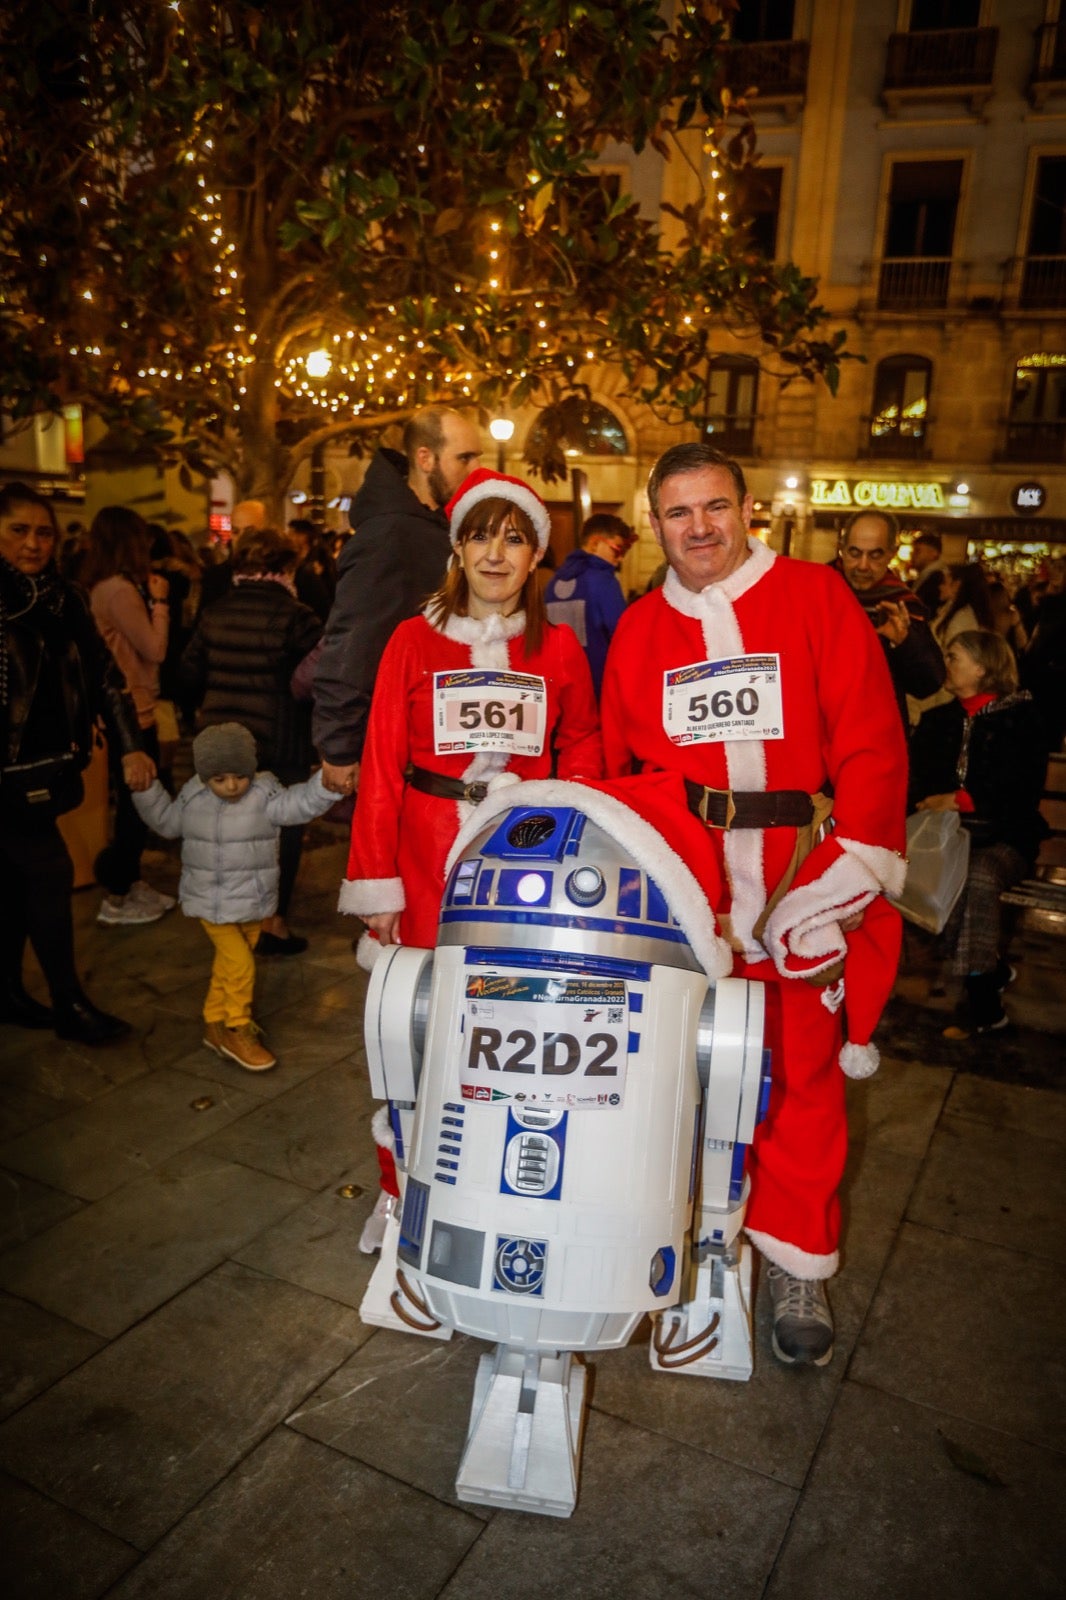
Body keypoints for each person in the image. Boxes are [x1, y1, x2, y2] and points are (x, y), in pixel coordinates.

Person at [601, 443, 907, 1369]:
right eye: (680, 513)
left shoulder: (816, 596)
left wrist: (843, 878)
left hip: (800, 882)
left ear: (747, 510)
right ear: (656, 524)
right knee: (680, 1082)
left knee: (804, 1079)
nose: (700, 529)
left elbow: (869, 740)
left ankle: (794, 1258)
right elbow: (621, 768)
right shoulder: (639, 629)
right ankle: (686, 1243)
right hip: (691, 893)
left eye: (716, 508)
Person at [339, 466, 603, 1249]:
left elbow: (583, 739)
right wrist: (376, 884)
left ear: (535, 557)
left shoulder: (556, 647)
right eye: (481, 535)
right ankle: (395, 1185)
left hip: (518, 860)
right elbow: (381, 760)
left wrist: (571, 814)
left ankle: (486, 1175)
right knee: (410, 1030)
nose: (496, 553)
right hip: (421, 856)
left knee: (502, 1024)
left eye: (514, 538)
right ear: (458, 548)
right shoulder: (413, 640)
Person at [0, 483, 155, 1045]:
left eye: (44, 532)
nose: (33, 543)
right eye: (19, 530)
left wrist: (130, 743)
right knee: (47, 874)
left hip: (49, 764)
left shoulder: (63, 598)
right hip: (7, 773)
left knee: (17, 882)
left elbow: (106, 678)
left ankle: (10, 993)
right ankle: (67, 1002)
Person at [133, 723, 335, 1070]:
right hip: (209, 904)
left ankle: (213, 1022)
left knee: (227, 966)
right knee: (240, 964)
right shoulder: (194, 797)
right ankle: (235, 1026)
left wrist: (326, 784)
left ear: (251, 770)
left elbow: (299, 803)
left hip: (253, 904)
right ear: (205, 776)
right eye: (220, 778)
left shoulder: (265, 795)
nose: (231, 786)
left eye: (239, 776)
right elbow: (167, 822)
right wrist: (146, 790)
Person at [312, 405, 483, 798]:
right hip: (389, 744)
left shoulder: (426, 523)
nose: (475, 469)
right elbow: (353, 638)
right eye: (464, 457)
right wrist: (339, 746)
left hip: (425, 736)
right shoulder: (392, 533)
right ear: (425, 458)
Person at [180, 529, 323, 954]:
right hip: (281, 743)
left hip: (225, 743)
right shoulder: (298, 617)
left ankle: (230, 916)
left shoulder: (215, 613)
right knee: (283, 832)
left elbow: (188, 673)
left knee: (232, 831)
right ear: (286, 568)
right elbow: (322, 675)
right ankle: (271, 922)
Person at [909, 631, 1048, 1038]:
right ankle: (992, 970)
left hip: (1006, 838)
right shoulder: (940, 720)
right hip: (945, 839)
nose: (945, 665)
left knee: (978, 876)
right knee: (942, 875)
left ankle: (984, 1000)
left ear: (983, 668)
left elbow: (1021, 791)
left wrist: (958, 800)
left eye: (953, 657)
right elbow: (917, 784)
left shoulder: (1022, 720)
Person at [81, 505, 176, 926]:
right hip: (132, 709)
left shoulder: (100, 586)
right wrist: (159, 602)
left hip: (128, 705)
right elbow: (155, 648)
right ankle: (118, 892)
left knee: (135, 804)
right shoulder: (119, 590)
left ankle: (127, 882)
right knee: (138, 806)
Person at [833, 509, 944, 730]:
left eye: (875, 555)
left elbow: (929, 683)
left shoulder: (903, 604)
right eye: (854, 553)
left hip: (874, 730)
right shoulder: (816, 589)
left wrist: (905, 642)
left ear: (892, 553)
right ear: (842, 549)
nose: (863, 566)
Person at [545, 512, 631, 695]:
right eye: (617, 550)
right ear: (594, 543)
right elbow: (622, 637)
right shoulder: (604, 581)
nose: (620, 559)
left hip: (557, 683)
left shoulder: (553, 582)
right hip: (596, 686)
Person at [932, 561, 994, 649]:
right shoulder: (948, 610)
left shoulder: (960, 620)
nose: (940, 587)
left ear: (956, 585)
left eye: (944, 582)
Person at [287, 518, 336, 622]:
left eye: (292, 533)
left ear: (303, 536)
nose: (289, 537)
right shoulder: (292, 557)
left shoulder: (320, 555)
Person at [909, 530, 946, 613]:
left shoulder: (938, 579)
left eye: (917, 551)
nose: (912, 555)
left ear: (934, 553)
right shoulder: (925, 576)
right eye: (913, 551)